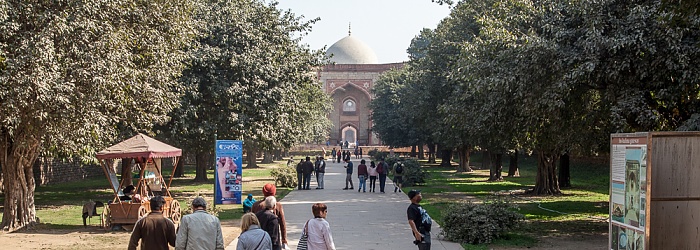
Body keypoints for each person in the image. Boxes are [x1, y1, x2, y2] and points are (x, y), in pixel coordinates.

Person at [251, 184, 288, 249]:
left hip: (258, 239)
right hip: (274, 238)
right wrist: (284, 240)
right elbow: (282, 224)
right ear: (274, 192)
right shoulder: (277, 205)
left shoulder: (256, 205)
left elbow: (250, 222)